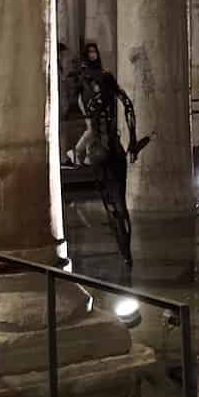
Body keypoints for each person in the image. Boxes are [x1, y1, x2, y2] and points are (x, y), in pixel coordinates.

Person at [73, 41, 141, 263]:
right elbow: (128, 106)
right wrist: (133, 140)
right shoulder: (103, 78)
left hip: (102, 150)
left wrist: (132, 140)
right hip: (112, 146)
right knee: (118, 203)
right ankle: (125, 252)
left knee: (113, 204)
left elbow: (91, 114)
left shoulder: (88, 80)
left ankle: (125, 251)